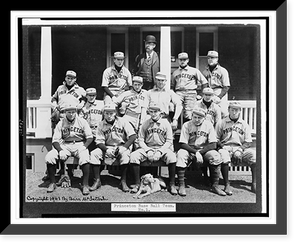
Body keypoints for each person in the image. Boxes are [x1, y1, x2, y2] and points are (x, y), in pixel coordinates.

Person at [44, 100, 93, 195]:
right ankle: (52, 183)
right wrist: (60, 150)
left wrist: (84, 146)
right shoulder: (61, 123)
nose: (71, 114)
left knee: (85, 157)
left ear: (76, 112)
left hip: (79, 144)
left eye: (73, 112)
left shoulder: (82, 121)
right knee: (50, 156)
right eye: (69, 112)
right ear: (65, 112)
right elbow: (55, 140)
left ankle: (85, 184)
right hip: (65, 145)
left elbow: (90, 137)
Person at [175, 106, 226, 196]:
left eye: (199, 117)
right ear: (192, 116)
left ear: (204, 118)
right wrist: (195, 152)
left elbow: (213, 144)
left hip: (204, 150)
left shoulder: (208, 125)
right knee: (181, 154)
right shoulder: (186, 125)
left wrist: (200, 153)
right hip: (190, 150)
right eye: (195, 117)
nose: (197, 119)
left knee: (216, 156)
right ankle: (181, 185)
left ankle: (215, 186)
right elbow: (182, 143)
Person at [130, 102, 177, 195]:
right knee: (134, 156)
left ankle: (172, 184)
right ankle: (137, 184)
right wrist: (148, 150)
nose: (153, 114)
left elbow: (169, 141)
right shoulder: (145, 123)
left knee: (172, 157)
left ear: (161, 112)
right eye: (151, 111)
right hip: (148, 147)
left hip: (162, 148)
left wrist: (160, 151)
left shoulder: (166, 123)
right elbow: (140, 140)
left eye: (156, 111)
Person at [89, 103, 137, 192]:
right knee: (94, 154)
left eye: (111, 113)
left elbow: (133, 136)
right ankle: (97, 180)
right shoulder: (101, 124)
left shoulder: (123, 121)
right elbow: (99, 141)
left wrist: (125, 147)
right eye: (106, 113)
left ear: (115, 113)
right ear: (104, 114)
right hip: (107, 147)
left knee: (125, 154)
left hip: (121, 146)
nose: (109, 116)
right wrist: (106, 149)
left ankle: (123, 181)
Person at [215, 101, 256, 194]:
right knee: (224, 155)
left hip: (239, 148)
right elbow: (215, 138)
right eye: (232, 109)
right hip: (226, 147)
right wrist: (222, 146)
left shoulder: (244, 124)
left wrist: (240, 149)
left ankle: (254, 183)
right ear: (228, 110)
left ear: (240, 111)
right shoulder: (221, 122)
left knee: (254, 155)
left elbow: (248, 141)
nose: (234, 112)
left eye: (236, 110)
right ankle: (227, 184)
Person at [112, 76, 149, 149]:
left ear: (142, 85)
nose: (137, 86)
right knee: (129, 138)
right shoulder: (126, 93)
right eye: (135, 85)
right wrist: (118, 116)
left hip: (140, 118)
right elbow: (115, 103)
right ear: (132, 85)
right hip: (129, 117)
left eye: (139, 85)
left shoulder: (146, 93)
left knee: (139, 140)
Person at [171, 52, 208, 121]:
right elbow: (173, 85)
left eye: (184, 60)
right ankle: (175, 126)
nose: (182, 61)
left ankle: (187, 130)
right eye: (180, 60)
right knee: (174, 108)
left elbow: (204, 82)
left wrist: (201, 94)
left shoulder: (194, 71)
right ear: (178, 60)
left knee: (189, 113)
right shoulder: (175, 72)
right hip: (179, 93)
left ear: (187, 60)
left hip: (190, 92)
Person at [202, 51, 230, 118]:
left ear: (217, 59)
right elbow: (204, 84)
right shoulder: (205, 71)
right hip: (209, 92)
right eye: (209, 58)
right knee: (208, 112)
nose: (210, 59)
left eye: (212, 58)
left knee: (223, 112)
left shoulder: (222, 70)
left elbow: (226, 86)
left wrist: (219, 97)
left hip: (219, 91)